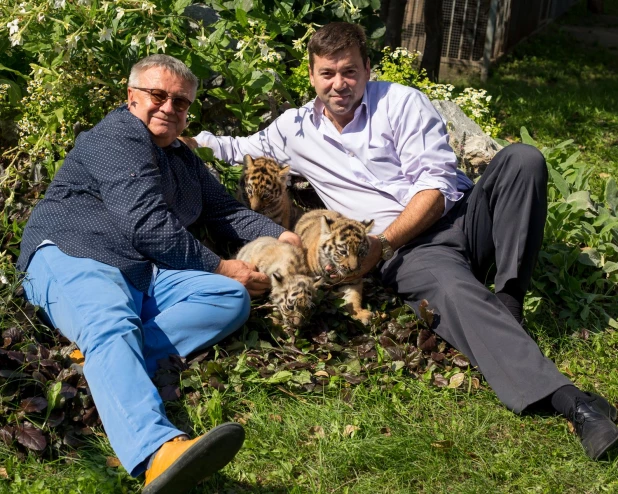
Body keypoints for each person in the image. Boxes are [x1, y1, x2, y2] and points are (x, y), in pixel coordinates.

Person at [182, 22, 618, 460]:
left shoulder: (403, 102)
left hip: (454, 218)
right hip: (414, 252)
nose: (339, 84)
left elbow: (436, 186)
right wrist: (171, 130)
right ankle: (572, 402)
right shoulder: (294, 129)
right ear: (311, 76)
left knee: (522, 160)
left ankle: (508, 298)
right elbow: (231, 147)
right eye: (328, 73)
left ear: (367, 69)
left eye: (350, 71)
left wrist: (382, 245)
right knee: (452, 291)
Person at [17, 54, 302, 493]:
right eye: (158, 95)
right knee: (111, 321)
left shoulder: (182, 159)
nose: (170, 107)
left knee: (228, 298)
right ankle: (157, 452)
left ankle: (107, 362)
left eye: (182, 102)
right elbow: (147, 225)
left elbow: (225, 210)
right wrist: (224, 264)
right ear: (131, 97)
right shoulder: (116, 135)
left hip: (142, 271)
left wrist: (283, 236)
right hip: (75, 254)